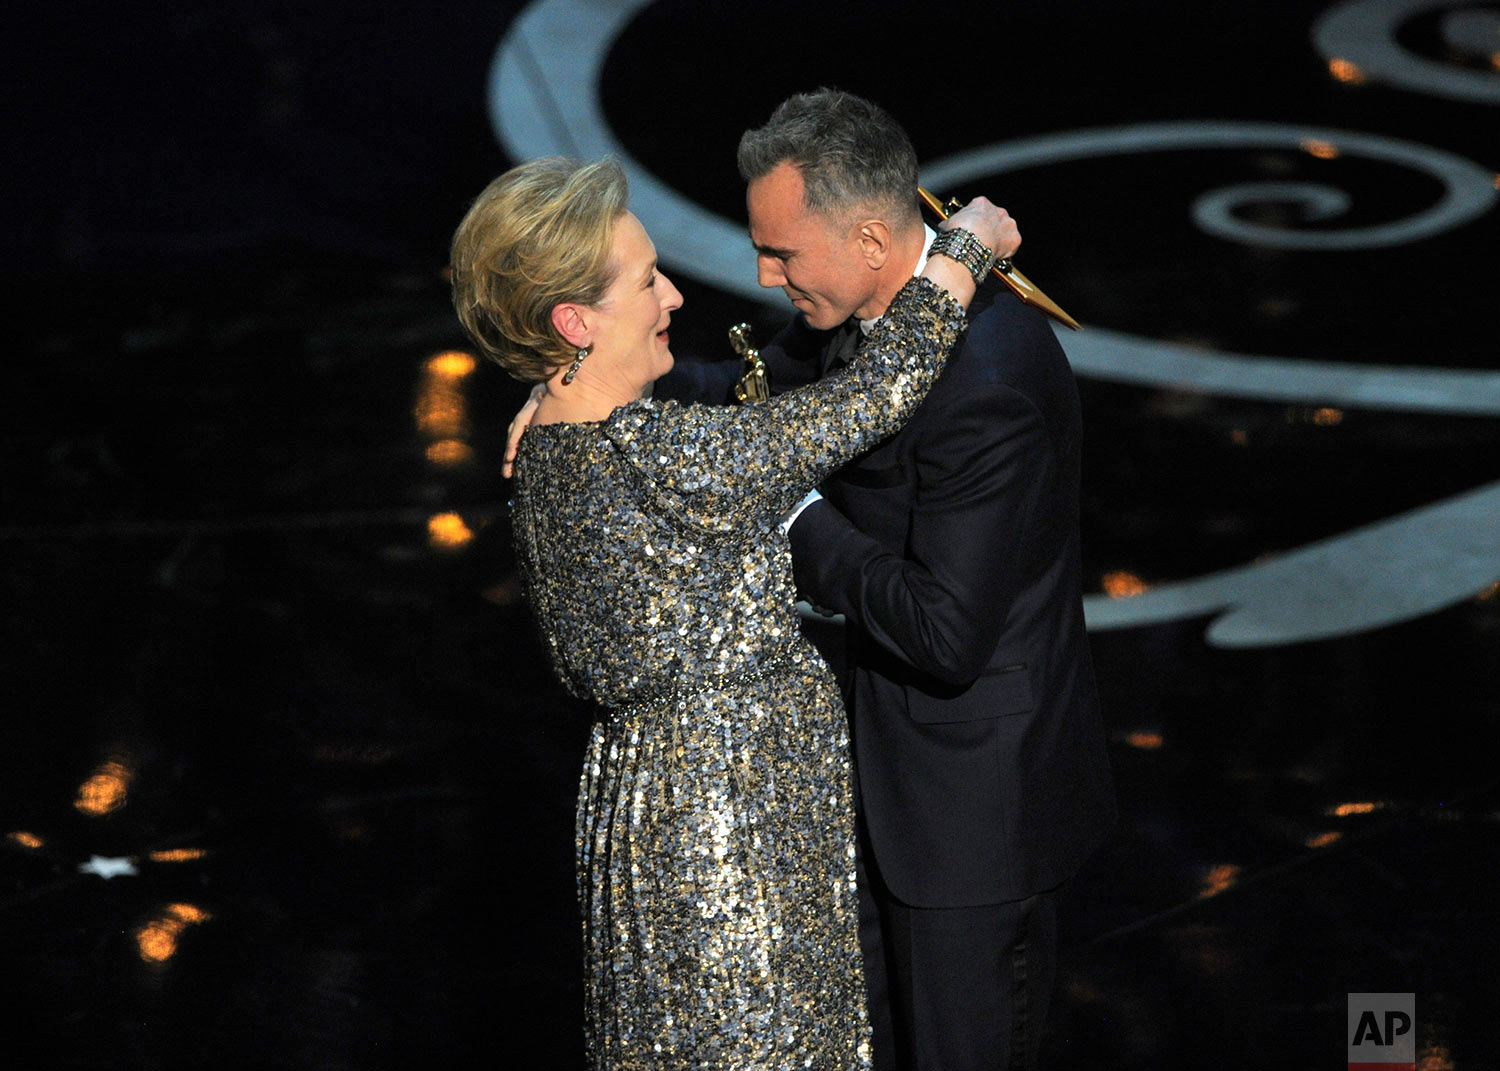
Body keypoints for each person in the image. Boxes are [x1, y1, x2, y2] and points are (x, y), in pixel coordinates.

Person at [453, 155, 1018, 1070]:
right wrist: (959, 254)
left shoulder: (555, 448)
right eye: (645, 281)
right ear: (574, 321)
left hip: (642, 812)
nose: (672, 294)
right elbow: (871, 397)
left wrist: (542, 384)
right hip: (732, 823)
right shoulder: (663, 455)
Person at [645, 88, 1117, 1070]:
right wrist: (603, 392)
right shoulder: (864, 319)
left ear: (868, 238)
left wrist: (793, 514)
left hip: (971, 826)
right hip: (883, 790)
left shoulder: (983, 383)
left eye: (782, 253)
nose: (764, 274)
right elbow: (761, 391)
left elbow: (945, 630)